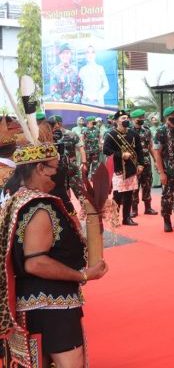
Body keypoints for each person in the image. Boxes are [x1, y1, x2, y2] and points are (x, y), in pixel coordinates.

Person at [0, 142, 108, 367]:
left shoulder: (17, 200)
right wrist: (83, 275)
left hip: (33, 302)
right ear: (40, 168)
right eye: (55, 168)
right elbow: (35, 263)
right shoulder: (40, 208)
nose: (57, 175)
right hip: (53, 307)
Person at [102, 110, 144, 226]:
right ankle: (115, 219)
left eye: (126, 118)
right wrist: (121, 154)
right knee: (118, 195)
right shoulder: (111, 135)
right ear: (116, 121)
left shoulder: (134, 134)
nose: (125, 120)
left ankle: (126, 218)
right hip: (118, 168)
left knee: (130, 194)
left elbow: (139, 150)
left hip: (131, 168)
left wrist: (141, 164)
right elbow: (106, 150)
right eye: (122, 118)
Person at [47, 116, 86, 202]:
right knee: (63, 195)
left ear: (60, 123)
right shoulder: (47, 137)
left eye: (56, 124)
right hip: (57, 171)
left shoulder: (71, 134)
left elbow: (81, 147)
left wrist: (84, 162)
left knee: (80, 193)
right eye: (52, 125)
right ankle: (69, 212)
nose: (55, 126)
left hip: (72, 169)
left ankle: (86, 210)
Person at [130, 109, 158, 216]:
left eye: (142, 117)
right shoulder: (129, 131)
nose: (141, 119)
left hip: (146, 162)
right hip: (133, 164)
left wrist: (155, 160)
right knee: (134, 186)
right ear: (133, 119)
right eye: (139, 118)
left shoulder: (146, 130)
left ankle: (148, 208)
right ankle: (134, 209)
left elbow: (150, 146)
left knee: (147, 184)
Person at [148, 113, 162, 188]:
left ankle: (161, 180)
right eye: (153, 119)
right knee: (154, 165)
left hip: (161, 148)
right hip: (153, 148)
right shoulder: (149, 129)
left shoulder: (161, 128)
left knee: (161, 164)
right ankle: (155, 182)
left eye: (156, 119)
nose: (154, 121)